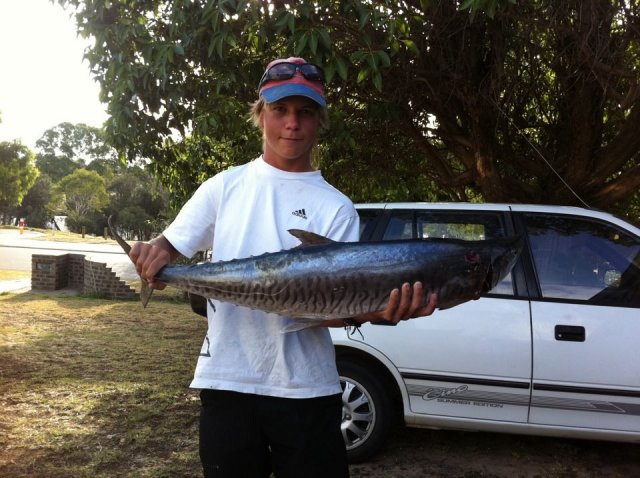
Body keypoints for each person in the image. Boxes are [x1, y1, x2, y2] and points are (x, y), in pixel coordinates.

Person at [129, 57, 438, 478]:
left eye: (305, 112)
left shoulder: (337, 208)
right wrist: (152, 256)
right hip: (228, 383)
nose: (291, 123)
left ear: (319, 121)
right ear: (260, 114)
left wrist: (380, 310)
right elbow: (167, 247)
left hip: (307, 389)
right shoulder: (224, 187)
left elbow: (334, 304)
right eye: (280, 110)